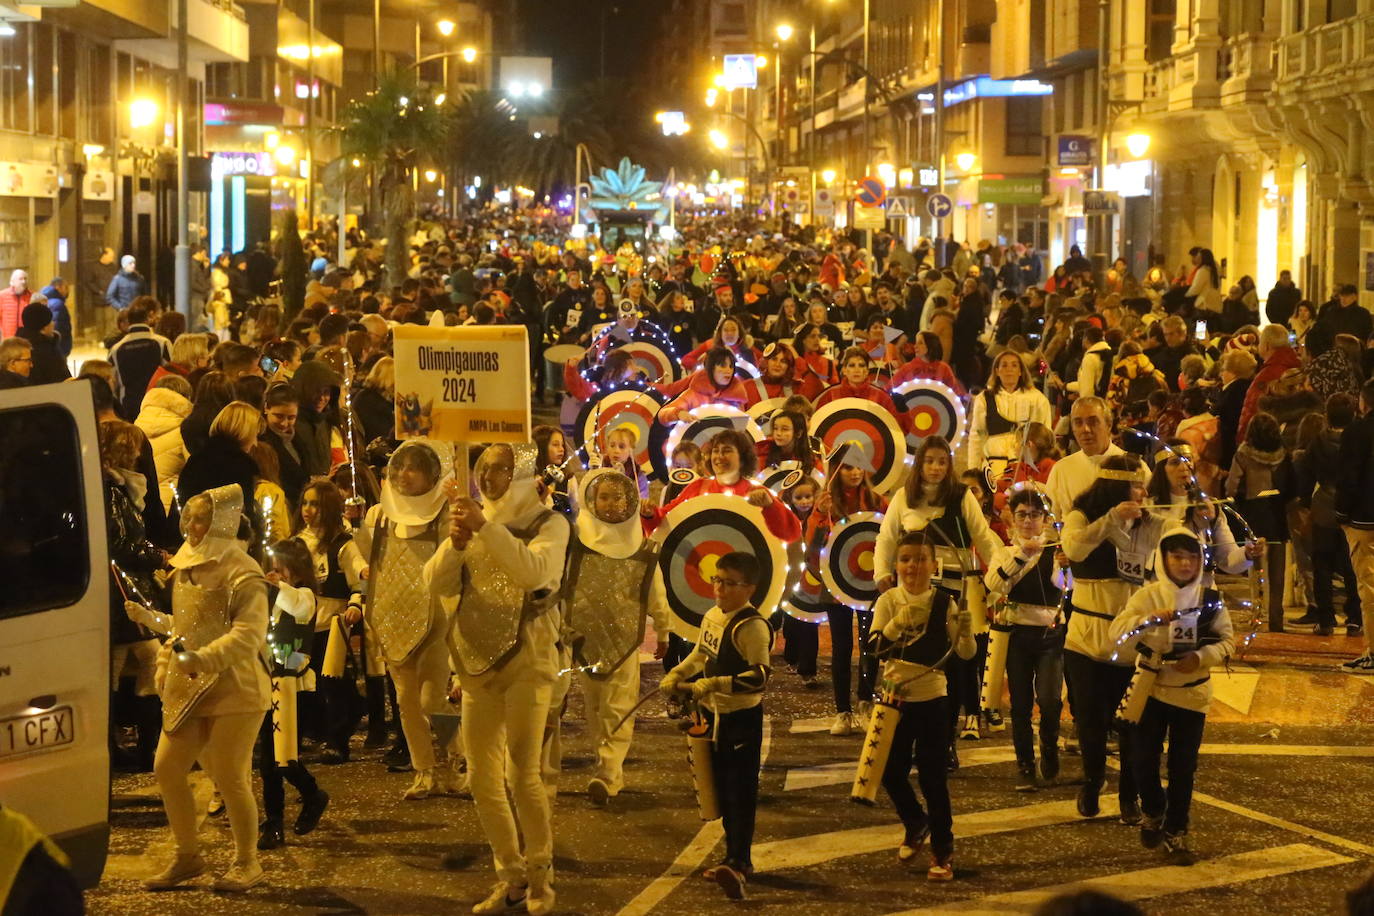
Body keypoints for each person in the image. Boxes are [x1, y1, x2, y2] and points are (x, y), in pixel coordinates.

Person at [424, 443, 568, 916]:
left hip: (528, 660)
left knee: (522, 774)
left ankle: (542, 879)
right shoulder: (470, 521)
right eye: (483, 468)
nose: (488, 477)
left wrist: (486, 529)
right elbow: (437, 585)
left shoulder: (550, 524)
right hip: (475, 663)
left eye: (500, 469)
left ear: (522, 473)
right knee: (483, 780)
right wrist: (455, 547)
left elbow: (533, 573)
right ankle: (510, 876)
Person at [143, 484, 270, 893]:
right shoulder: (185, 566)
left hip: (237, 688)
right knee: (167, 766)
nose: (192, 525)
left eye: (203, 518)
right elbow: (184, 627)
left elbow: (249, 635)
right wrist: (166, 662)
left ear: (224, 521)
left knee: (229, 775)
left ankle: (247, 861)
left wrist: (203, 659)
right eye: (190, 516)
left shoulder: (242, 570)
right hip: (189, 687)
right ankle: (187, 856)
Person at [874, 435, 1002, 762]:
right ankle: (908, 739)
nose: (935, 468)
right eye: (930, 461)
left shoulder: (961, 497)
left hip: (953, 593)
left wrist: (999, 581)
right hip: (913, 592)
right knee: (915, 661)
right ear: (920, 464)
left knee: (954, 663)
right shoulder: (904, 497)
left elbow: (984, 539)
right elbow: (887, 538)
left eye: (942, 462)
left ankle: (945, 743)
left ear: (949, 466)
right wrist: (881, 573)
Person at [1111, 527, 1234, 866]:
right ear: (1163, 559)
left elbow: (1228, 642)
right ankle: (1153, 809)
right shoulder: (1147, 595)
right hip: (1150, 691)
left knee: (1183, 767)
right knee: (1142, 761)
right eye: (1177, 556)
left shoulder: (1210, 599)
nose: (1185, 563)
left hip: (1193, 695)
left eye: (1192, 557)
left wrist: (1201, 658)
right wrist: (1147, 621)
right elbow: (1116, 632)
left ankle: (1177, 829)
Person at [351, 440, 460, 798]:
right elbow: (371, 556)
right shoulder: (381, 514)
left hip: (435, 620)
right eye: (400, 466)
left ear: (433, 474)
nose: (403, 474)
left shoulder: (445, 513)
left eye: (414, 467)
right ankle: (424, 770)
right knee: (405, 701)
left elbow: (456, 559)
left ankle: (459, 757)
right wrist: (356, 528)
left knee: (431, 699)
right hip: (393, 618)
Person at [660, 551, 772, 900]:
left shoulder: (751, 626)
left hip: (740, 718)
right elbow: (702, 654)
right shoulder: (712, 616)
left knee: (740, 792)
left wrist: (716, 683)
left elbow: (760, 676)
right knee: (720, 787)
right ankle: (731, 855)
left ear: (749, 588)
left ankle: (740, 860)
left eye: (730, 583)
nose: (720, 589)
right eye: (717, 580)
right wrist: (679, 672)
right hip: (711, 715)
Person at [869, 530, 975, 881]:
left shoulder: (945, 602)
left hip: (932, 699)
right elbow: (874, 650)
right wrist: (897, 624)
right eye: (905, 559)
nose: (913, 565)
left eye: (921, 558)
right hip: (894, 698)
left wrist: (966, 632)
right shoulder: (887, 601)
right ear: (896, 564)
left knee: (933, 779)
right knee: (888, 771)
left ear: (935, 564)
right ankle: (915, 822)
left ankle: (943, 852)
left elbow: (965, 654)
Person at [564, 469, 670, 806]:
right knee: (595, 707)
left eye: (618, 496)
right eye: (604, 497)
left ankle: (608, 773)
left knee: (617, 706)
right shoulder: (576, 539)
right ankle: (608, 767)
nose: (611, 504)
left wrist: (664, 630)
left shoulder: (639, 543)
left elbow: (655, 590)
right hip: (582, 637)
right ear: (591, 500)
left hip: (624, 638)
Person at [1060, 453, 1148, 822]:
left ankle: (1130, 795)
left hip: (1129, 642)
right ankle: (1093, 780)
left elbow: (1176, 550)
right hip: (1084, 636)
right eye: (1136, 486)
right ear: (1117, 487)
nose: (1143, 493)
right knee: (1091, 724)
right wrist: (1112, 520)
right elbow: (1073, 548)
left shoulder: (1147, 523)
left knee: (1131, 725)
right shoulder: (1081, 515)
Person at [984, 487, 1068, 787]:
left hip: (1050, 635)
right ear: (1013, 519)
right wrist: (1022, 554)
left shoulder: (1055, 550)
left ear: (1045, 519)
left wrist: (1064, 562)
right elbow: (994, 583)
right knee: (1020, 703)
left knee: (1049, 699)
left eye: (1035, 515)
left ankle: (1048, 746)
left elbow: (1062, 584)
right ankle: (1024, 764)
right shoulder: (1007, 552)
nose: (1029, 521)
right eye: (1022, 515)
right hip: (1017, 635)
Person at [256, 538, 330, 850]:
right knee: (267, 762)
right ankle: (273, 823)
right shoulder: (273, 597)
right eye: (270, 569)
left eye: (280, 568)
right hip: (267, 681)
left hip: (291, 684)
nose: (274, 573)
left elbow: (295, 606)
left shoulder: (304, 596)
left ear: (297, 571)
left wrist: (276, 586)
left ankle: (313, 795)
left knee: (285, 758)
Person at [809, 443, 888, 735]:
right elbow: (812, 546)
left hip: (871, 585)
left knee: (871, 644)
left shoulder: (878, 501)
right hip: (836, 584)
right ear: (836, 471)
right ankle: (842, 711)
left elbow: (891, 534)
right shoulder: (827, 503)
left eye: (858, 466)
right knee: (842, 647)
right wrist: (819, 515)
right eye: (847, 467)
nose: (855, 472)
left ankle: (866, 701)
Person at [295, 478, 371, 761]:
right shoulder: (296, 542)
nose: (308, 509)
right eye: (305, 503)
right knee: (304, 680)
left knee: (333, 682)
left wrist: (356, 602)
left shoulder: (342, 543)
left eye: (315, 504)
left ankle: (338, 740)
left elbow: (357, 574)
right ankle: (314, 731)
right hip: (302, 621)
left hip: (332, 620)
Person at [1296, 393, 1364, 636]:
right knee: (1352, 567)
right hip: (1352, 510)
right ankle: (1355, 617)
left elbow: (1306, 477)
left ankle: (1325, 619)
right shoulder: (1358, 440)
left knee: (1321, 565)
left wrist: (1304, 503)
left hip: (1323, 506)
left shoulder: (1317, 442)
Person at [1225, 412, 1291, 629]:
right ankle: (1276, 617)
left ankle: (1258, 614)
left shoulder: (1243, 455)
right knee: (1278, 567)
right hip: (1278, 511)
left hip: (1254, 512)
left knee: (1257, 567)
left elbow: (1231, 486)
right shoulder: (1284, 454)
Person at [1336, 377, 1374, 673]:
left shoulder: (1358, 431)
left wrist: (1341, 512)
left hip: (1365, 518)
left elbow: (1349, 476)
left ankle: (1372, 652)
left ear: (1364, 401)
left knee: (1370, 588)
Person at [969, 351, 1053, 474]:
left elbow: (1045, 435)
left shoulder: (1037, 399)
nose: (1009, 369)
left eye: (1014, 365)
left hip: (1026, 468)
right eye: (1004, 365)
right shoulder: (984, 399)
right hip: (993, 468)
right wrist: (973, 469)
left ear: (1020, 371)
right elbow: (976, 435)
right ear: (997, 371)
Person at [135, 376, 193, 512]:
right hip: (172, 508)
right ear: (185, 398)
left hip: (141, 505)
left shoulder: (135, 426)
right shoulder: (184, 430)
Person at [109, 299, 172, 420]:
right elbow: (171, 379)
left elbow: (112, 385)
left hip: (128, 411)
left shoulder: (115, 349)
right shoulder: (162, 344)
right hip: (157, 409)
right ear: (151, 315)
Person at [890, 331, 965, 396]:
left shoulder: (943, 368)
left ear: (930, 345)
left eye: (920, 343)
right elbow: (890, 387)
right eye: (916, 343)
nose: (915, 346)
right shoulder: (907, 368)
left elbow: (956, 393)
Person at [15, 302, 70, 385]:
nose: (53, 324)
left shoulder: (16, 346)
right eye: (50, 321)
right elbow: (63, 379)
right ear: (43, 327)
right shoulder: (47, 351)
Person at [793, 323, 839, 401]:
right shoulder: (793, 363)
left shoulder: (828, 363)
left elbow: (835, 390)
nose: (817, 340)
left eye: (819, 336)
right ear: (803, 340)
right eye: (812, 336)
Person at [0, 268, 30, 338]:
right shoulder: (2, 296)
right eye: (20, 279)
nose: (23, 281)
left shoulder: (32, 296)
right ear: (12, 281)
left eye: (25, 279)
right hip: (8, 338)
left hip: (26, 339)